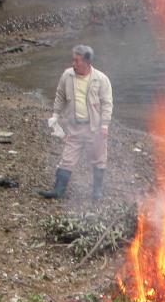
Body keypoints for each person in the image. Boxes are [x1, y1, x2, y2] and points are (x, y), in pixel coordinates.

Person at [38, 45, 113, 201]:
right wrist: (56, 115)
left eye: (77, 60)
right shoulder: (67, 76)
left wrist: (104, 124)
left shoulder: (100, 79)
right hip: (75, 126)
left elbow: (107, 103)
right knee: (67, 158)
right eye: (73, 59)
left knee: (98, 158)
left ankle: (97, 191)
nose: (74, 63)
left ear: (87, 61)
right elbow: (60, 95)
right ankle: (58, 189)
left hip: (95, 127)